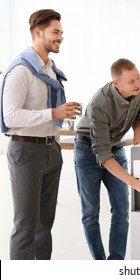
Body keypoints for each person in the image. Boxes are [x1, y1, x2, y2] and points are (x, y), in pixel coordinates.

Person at [0, 9, 81, 259]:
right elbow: (9, 117)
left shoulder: (50, 70)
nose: (61, 37)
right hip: (26, 151)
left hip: (51, 150)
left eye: (61, 32)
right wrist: (52, 113)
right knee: (26, 227)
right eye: (55, 32)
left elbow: (51, 112)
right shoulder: (21, 70)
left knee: (45, 226)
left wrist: (60, 116)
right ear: (38, 33)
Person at [74, 58, 140, 260]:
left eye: (137, 77)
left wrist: (137, 134)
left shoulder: (139, 90)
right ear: (116, 84)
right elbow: (102, 154)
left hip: (115, 145)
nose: (137, 84)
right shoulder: (99, 105)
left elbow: (138, 113)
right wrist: (134, 182)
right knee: (90, 212)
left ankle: (116, 263)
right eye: (131, 81)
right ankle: (100, 262)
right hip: (88, 148)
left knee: (121, 209)